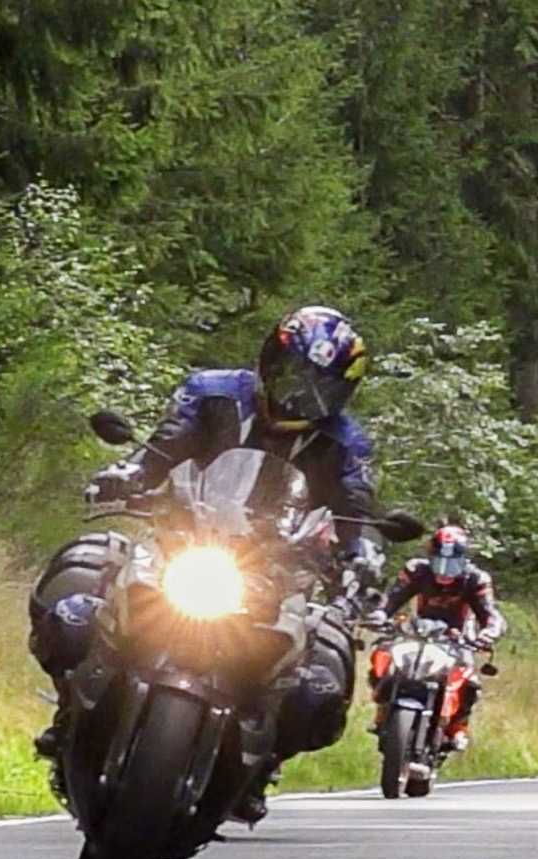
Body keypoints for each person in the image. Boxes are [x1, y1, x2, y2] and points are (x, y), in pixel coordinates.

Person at [26, 305, 383, 823]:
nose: (298, 395)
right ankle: (70, 712)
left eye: (317, 388)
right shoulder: (214, 393)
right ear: (268, 359)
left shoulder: (344, 443)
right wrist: (127, 474)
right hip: (188, 538)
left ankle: (258, 765)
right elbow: (164, 447)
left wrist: (362, 554)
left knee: (316, 677)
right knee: (80, 594)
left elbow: (357, 508)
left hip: (269, 567)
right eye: (291, 376)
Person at [370, 524, 506, 751]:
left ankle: (457, 727)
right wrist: (379, 615)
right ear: (430, 557)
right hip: (416, 632)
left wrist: (488, 633)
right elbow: (391, 599)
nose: (444, 571)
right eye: (439, 562)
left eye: (452, 563)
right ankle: (383, 711)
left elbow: (491, 615)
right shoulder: (416, 570)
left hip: (457, 637)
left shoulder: (476, 579)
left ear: (464, 560)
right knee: (382, 657)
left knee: (469, 681)